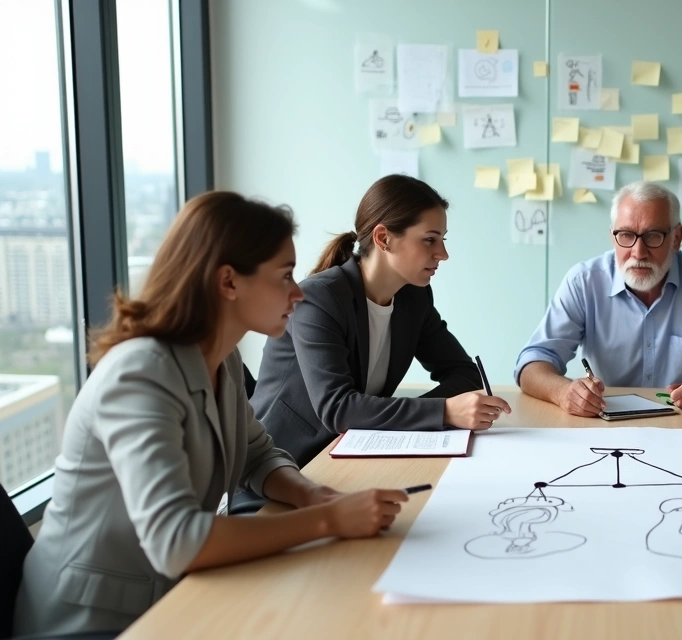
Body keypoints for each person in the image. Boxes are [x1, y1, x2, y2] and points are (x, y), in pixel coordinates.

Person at [14, 192, 410, 636]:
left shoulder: (219, 360)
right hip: (89, 622)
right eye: (284, 276)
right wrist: (327, 520)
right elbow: (176, 541)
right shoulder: (139, 374)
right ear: (228, 282)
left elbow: (257, 454)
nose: (298, 293)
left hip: (166, 599)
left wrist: (310, 494)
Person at [251, 175, 510, 468]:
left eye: (442, 240)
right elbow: (338, 408)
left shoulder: (414, 298)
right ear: (383, 238)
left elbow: (464, 373)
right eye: (430, 239)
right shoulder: (318, 299)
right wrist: (443, 412)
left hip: (354, 455)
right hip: (283, 466)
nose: (443, 254)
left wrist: (439, 412)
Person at [515, 181, 682, 416]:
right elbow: (533, 361)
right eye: (626, 235)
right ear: (613, 237)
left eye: (653, 236)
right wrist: (563, 392)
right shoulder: (584, 281)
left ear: (676, 238)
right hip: (606, 421)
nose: (638, 252)